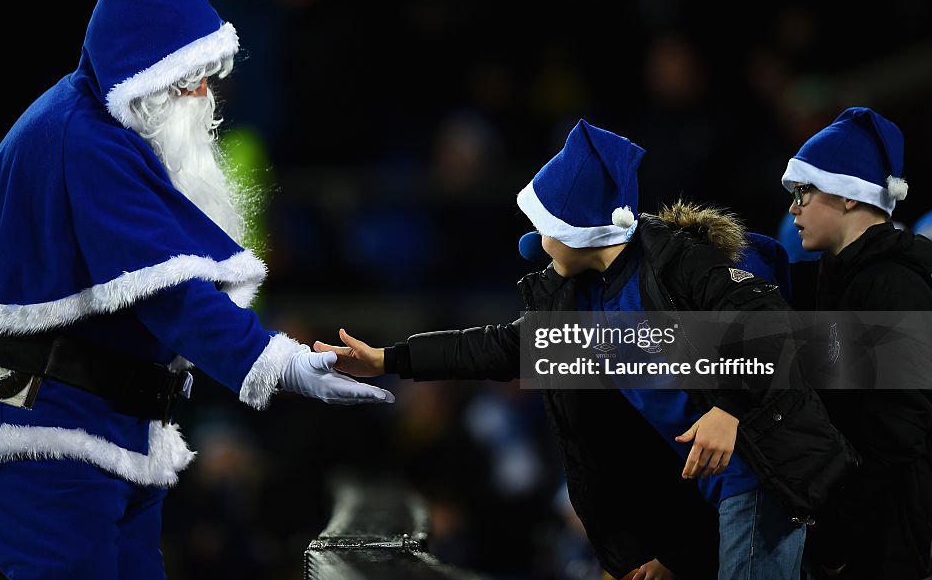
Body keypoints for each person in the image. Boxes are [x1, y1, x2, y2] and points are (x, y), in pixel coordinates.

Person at [0, 0, 393, 580]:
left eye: (209, 77)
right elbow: (167, 291)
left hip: (105, 416)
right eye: (190, 80)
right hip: (39, 419)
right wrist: (280, 363)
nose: (205, 98)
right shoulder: (86, 140)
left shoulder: (105, 128)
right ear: (145, 78)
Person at [319, 120, 855, 580]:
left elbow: (779, 330)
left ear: (575, 230)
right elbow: (501, 347)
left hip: (761, 467)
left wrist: (731, 409)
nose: (538, 244)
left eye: (544, 229)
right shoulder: (579, 302)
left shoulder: (678, 265)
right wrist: (388, 360)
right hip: (703, 495)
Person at [781, 106, 932, 580]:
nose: (793, 208)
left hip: (895, 534)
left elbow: (897, 429)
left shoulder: (891, 286)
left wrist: (843, 532)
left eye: (804, 191)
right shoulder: (841, 278)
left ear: (849, 195)